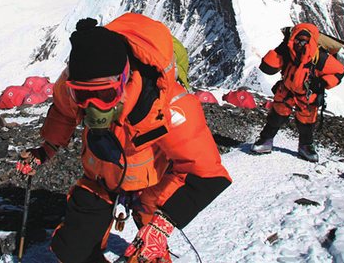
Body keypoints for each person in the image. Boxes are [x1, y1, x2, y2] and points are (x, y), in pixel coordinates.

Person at [16, 14, 231, 263]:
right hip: (100, 177)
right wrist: (45, 151)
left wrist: (163, 225)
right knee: (73, 250)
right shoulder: (72, 81)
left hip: (154, 182)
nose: (93, 107)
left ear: (125, 77)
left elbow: (208, 173)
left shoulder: (170, 107)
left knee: (147, 252)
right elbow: (64, 113)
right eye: (83, 96)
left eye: (105, 93)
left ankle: (151, 234)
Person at [251, 23, 344, 162]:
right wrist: (281, 49)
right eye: (297, 40)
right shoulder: (287, 51)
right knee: (276, 117)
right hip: (286, 91)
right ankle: (266, 140)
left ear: (310, 41)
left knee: (307, 122)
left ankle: (306, 146)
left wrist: (321, 83)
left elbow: (339, 71)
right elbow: (268, 67)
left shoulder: (319, 57)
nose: (300, 44)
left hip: (308, 95)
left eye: (304, 41)